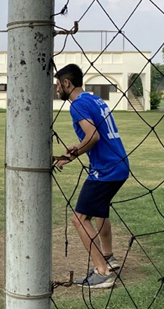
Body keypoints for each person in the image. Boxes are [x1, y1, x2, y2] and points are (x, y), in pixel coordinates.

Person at [53, 63, 129, 289]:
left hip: (106, 170)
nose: (57, 89)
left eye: (58, 85)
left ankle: (102, 272)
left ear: (67, 83)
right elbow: (97, 134)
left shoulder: (77, 105)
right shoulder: (95, 99)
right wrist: (77, 150)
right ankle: (109, 258)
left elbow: (93, 136)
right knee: (99, 212)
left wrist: (73, 154)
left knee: (79, 219)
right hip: (119, 165)